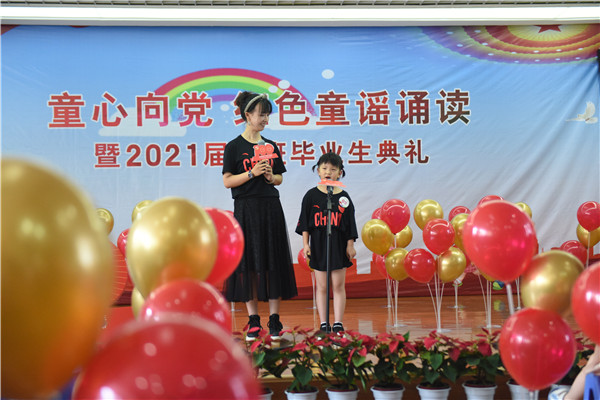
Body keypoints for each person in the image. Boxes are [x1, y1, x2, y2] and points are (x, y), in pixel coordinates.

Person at [222, 91, 297, 341]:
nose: (265, 119)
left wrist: (270, 177)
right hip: (246, 210)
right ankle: (253, 320)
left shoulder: (270, 146)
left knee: (273, 262)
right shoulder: (234, 147)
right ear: (248, 115)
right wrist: (252, 173)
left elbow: (280, 178)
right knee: (250, 266)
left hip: (270, 208)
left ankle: (274, 319)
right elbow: (228, 181)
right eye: (261, 114)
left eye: (267, 114)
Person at [295, 152, 358, 334]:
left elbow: (350, 223)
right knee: (322, 286)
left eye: (333, 169)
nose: (328, 172)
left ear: (340, 173)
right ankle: (324, 323)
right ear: (318, 171)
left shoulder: (344, 197)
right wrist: (306, 244)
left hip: (338, 245)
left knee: (338, 285)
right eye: (324, 168)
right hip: (319, 245)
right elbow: (305, 223)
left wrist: (350, 245)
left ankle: (338, 322)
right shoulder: (311, 195)